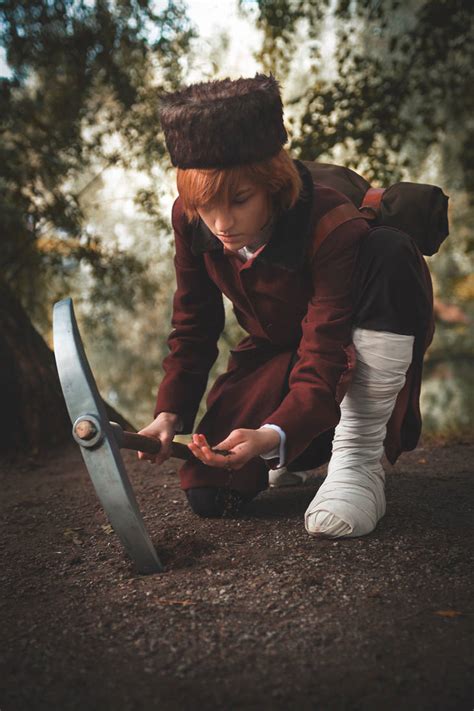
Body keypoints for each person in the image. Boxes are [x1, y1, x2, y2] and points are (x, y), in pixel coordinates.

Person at [137, 74, 433, 538]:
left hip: (342, 350)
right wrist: (168, 414)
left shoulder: (331, 222)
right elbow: (193, 323)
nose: (220, 223)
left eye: (238, 200)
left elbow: (325, 346)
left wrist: (272, 432)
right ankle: (302, 450)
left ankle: (357, 461)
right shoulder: (190, 216)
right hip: (274, 352)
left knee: (390, 250)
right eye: (205, 205)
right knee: (212, 494)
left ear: (274, 184)